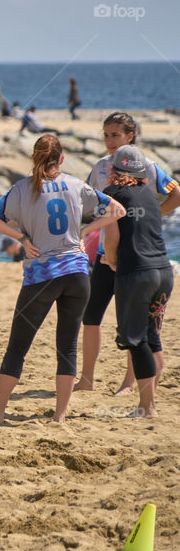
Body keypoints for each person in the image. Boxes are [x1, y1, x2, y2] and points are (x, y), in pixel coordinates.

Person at [0, 134, 124, 425]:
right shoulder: (75, 184)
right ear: (61, 159)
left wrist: (21, 237)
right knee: (68, 345)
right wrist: (85, 232)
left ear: (34, 158)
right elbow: (117, 210)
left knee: (18, 347)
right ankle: (59, 416)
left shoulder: (22, 189)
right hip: (77, 273)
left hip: (41, 275)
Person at [75, 112, 180, 394]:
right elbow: (86, 202)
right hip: (103, 255)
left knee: (135, 326)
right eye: (106, 135)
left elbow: (177, 193)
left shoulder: (148, 167)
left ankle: (128, 383)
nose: (109, 140)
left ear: (130, 136)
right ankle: (86, 379)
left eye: (115, 135)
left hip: (136, 260)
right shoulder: (99, 167)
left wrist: (151, 216)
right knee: (91, 316)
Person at [100, 145, 171, 418]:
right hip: (163, 272)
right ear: (141, 172)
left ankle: (147, 407)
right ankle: (150, 401)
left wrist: (112, 260)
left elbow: (112, 238)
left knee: (135, 339)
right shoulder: (151, 197)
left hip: (136, 273)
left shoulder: (111, 196)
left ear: (115, 170)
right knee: (152, 337)